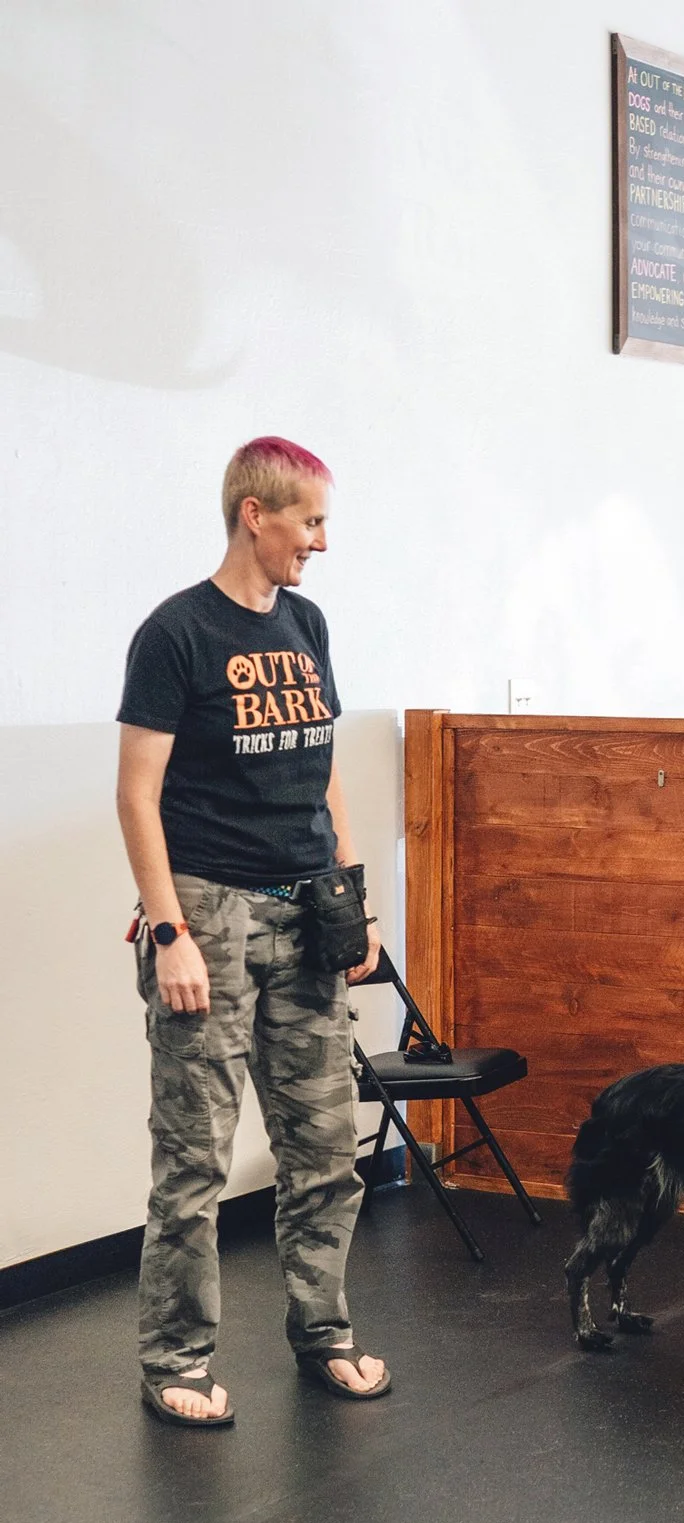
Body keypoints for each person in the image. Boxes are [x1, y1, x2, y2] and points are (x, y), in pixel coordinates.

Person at [117, 436, 390, 1425]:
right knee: (193, 1161)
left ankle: (324, 1330)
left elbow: (323, 770)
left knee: (324, 1150)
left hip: (305, 910)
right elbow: (136, 794)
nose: (318, 543)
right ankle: (176, 1360)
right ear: (253, 515)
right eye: (308, 522)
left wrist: (350, 897)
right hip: (212, 911)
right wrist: (167, 930)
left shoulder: (307, 621)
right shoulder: (176, 633)